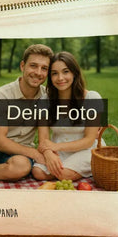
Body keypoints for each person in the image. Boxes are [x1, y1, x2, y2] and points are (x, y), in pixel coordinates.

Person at [0, 44, 51, 181]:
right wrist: (35, 154)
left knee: (21, 168)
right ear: (22, 66)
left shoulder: (46, 97)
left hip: (20, 151)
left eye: (44, 68)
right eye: (33, 66)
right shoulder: (1, 95)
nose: (38, 72)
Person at [32, 51, 104, 183]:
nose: (60, 78)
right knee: (38, 172)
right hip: (57, 150)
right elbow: (43, 139)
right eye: (54, 73)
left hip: (86, 149)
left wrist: (55, 147)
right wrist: (48, 154)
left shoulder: (92, 98)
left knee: (63, 174)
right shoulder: (45, 100)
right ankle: (72, 170)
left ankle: (84, 168)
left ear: (74, 73)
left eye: (65, 71)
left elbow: (89, 140)